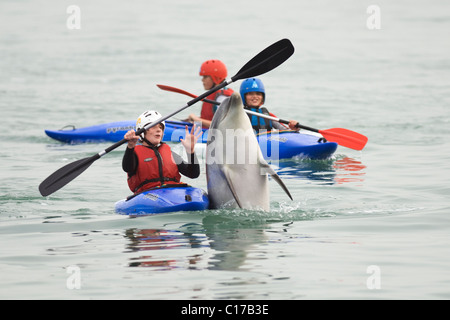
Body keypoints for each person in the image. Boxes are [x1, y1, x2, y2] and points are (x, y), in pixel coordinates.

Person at [123, 110, 202, 194]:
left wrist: (191, 152)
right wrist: (130, 146)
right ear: (142, 132)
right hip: (148, 194)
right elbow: (127, 168)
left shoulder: (170, 153)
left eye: (160, 127)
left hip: (172, 192)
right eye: (153, 127)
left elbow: (193, 174)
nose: (158, 130)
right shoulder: (134, 153)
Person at [186, 59, 234, 128]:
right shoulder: (214, 94)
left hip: (217, 135)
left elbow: (223, 125)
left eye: (205, 77)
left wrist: (197, 119)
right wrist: (195, 121)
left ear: (215, 78)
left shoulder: (222, 98)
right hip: (207, 131)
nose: (202, 80)